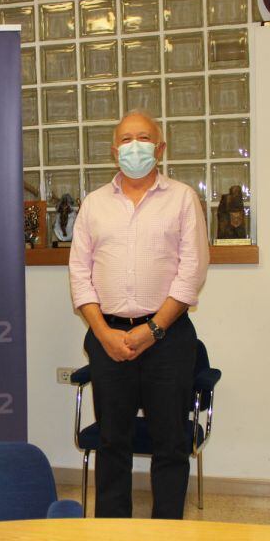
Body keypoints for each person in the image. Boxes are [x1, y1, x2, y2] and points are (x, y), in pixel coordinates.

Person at [69, 110, 209, 519]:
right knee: (113, 442)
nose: (134, 146)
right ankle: (113, 535)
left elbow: (192, 271)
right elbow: (79, 275)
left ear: (159, 148)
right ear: (114, 151)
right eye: (126, 139)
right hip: (106, 336)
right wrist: (104, 333)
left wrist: (153, 329)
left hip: (168, 337)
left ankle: (167, 534)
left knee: (171, 442)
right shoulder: (94, 204)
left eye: (143, 138)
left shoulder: (182, 198)